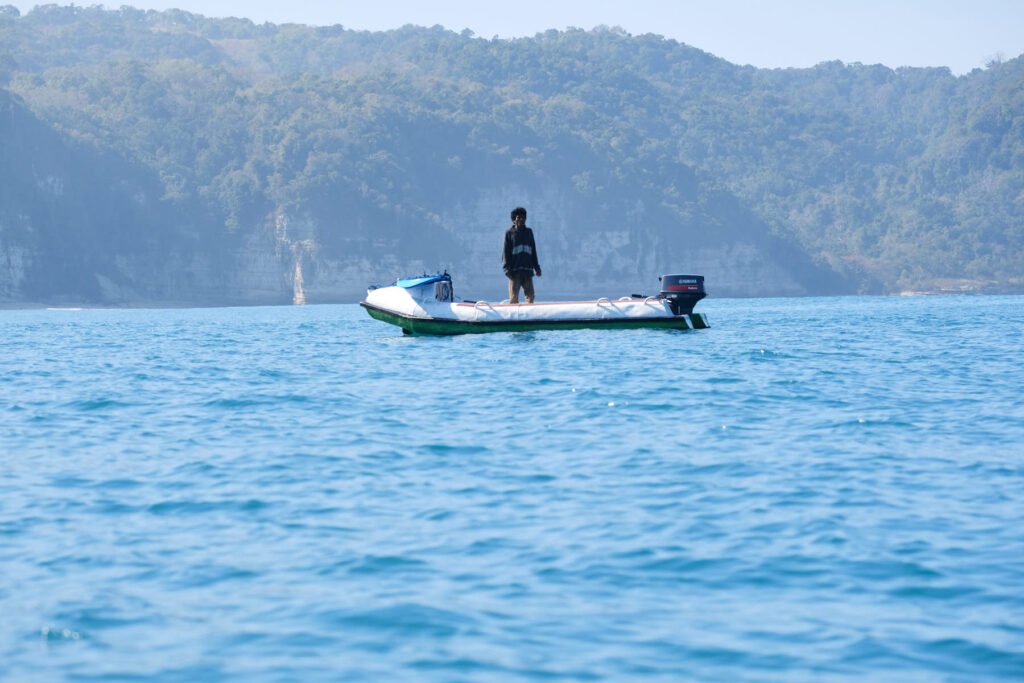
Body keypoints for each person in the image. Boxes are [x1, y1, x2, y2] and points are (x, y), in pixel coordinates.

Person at [502, 206, 542, 304]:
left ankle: (528, 317)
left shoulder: (529, 232)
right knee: (514, 298)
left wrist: (537, 268)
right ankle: (514, 318)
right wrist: (506, 269)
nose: (521, 220)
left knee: (530, 297)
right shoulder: (509, 233)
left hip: (527, 271)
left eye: (523, 218)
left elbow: (533, 251)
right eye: (518, 218)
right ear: (514, 220)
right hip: (514, 272)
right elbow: (506, 252)